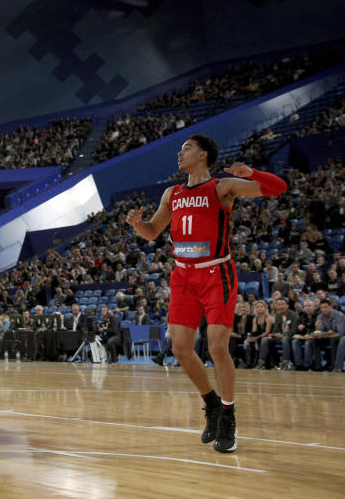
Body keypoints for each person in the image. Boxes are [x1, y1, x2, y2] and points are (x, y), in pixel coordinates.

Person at [127, 134, 287, 453]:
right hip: (183, 275)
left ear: (203, 155)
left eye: (186, 148)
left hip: (216, 273)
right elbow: (152, 232)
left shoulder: (222, 187)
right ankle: (211, 403)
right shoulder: (172, 193)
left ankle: (228, 416)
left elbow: (278, 188)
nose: (179, 153)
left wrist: (251, 174)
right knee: (182, 350)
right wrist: (137, 225)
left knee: (217, 347)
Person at [258, 298, 298, 370]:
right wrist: (272, 335)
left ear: (287, 306)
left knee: (284, 339)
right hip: (279, 337)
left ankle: (285, 363)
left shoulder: (293, 315)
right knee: (264, 339)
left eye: (283, 304)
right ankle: (261, 363)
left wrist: (283, 334)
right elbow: (275, 330)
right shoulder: (278, 316)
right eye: (279, 304)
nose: (281, 306)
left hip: (290, 337)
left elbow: (294, 330)